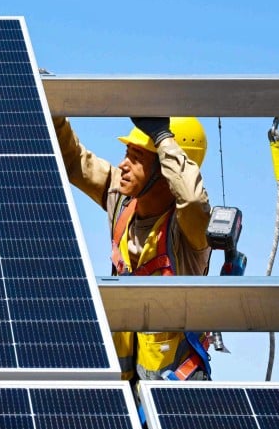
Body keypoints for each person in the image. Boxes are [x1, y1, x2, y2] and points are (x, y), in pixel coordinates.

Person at [53, 116, 212, 383]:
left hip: (177, 395)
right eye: (126, 154)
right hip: (127, 389)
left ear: (166, 170)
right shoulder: (122, 200)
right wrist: (55, 112)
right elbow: (75, 160)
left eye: (136, 158)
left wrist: (163, 139)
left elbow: (193, 199)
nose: (123, 165)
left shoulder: (189, 230)